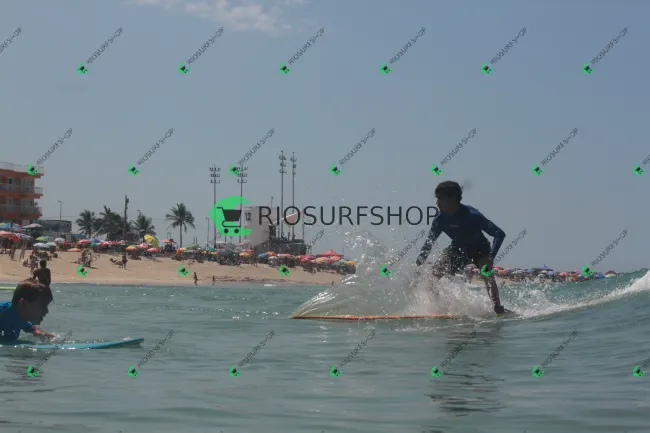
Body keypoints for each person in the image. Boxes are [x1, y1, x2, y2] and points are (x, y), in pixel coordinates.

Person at [415, 181, 512, 315]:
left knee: (486, 271)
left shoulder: (473, 215)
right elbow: (429, 243)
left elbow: (499, 233)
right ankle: (436, 309)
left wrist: (491, 257)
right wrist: (419, 263)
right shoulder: (440, 219)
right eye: (437, 198)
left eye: (440, 198)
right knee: (433, 276)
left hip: (480, 249)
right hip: (458, 249)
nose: (437, 202)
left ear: (453, 198)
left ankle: (498, 308)